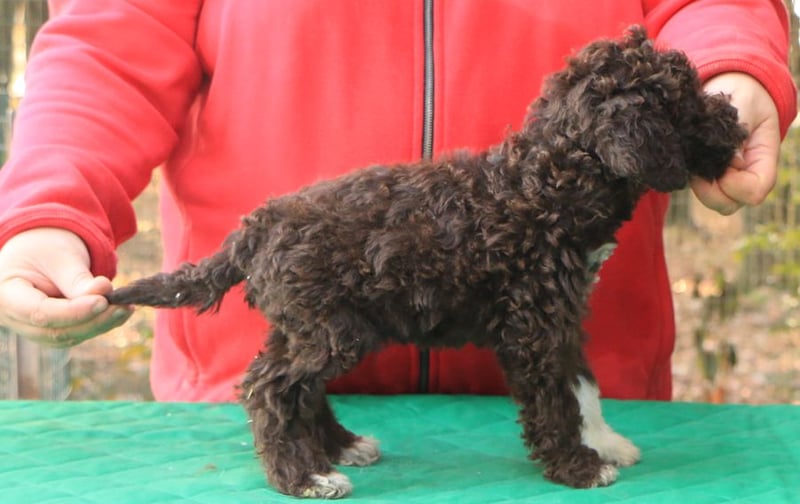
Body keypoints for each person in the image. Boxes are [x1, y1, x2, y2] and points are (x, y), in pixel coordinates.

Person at [0, 1, 795, 403]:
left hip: (580, 399)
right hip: (254, 395)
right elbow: (115, 37)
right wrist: (51, 206)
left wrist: (729, 70)